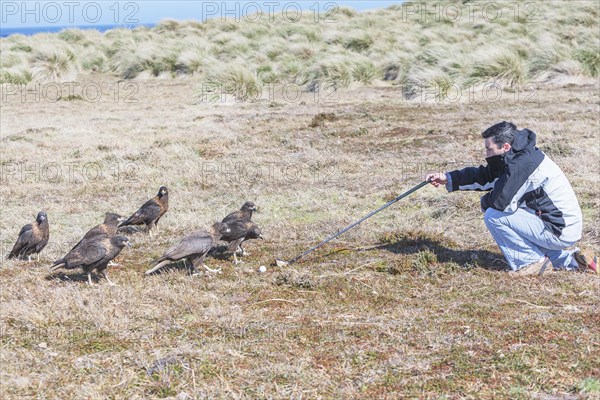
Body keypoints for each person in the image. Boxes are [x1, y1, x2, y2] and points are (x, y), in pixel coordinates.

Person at [426, 121, 597, 276]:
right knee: (514, 212)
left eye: (488, 149)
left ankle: (530, 262)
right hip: (558, 223)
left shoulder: (521, 166)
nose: (486, 153)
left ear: (505, 146)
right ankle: (574, 261)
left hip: (559, 229)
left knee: (494, 215)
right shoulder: (519, 153)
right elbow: (488, 176)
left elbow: (499, 202)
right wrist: (448, 178)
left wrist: (484, 203)